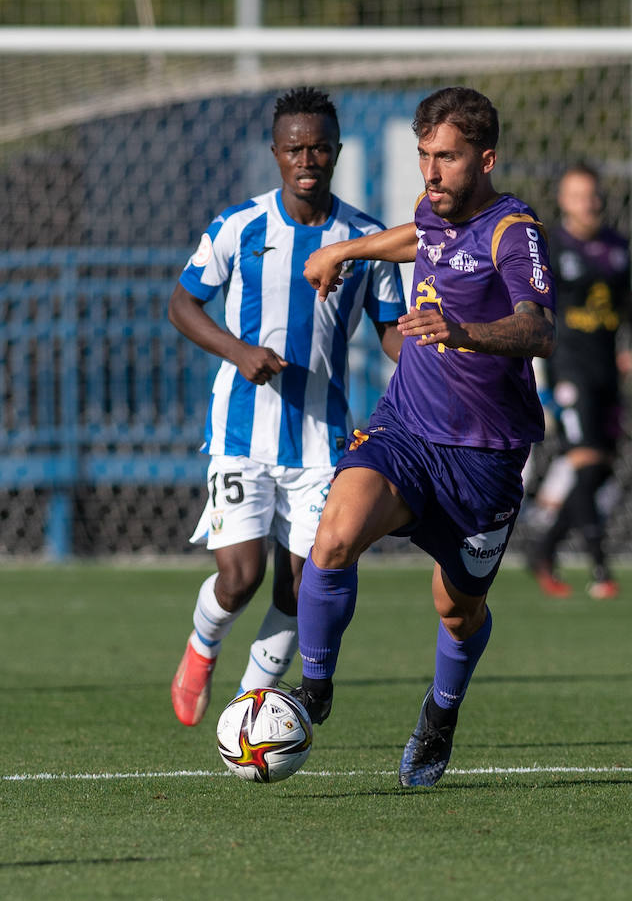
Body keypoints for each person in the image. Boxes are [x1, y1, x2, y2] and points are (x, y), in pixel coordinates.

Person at [295, 86, 556, 787]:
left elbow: (539, 328)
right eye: (423, 155)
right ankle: (312, 690)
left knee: (457, 609)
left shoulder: (513, 231)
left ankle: (442, 713)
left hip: (484, 457)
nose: (430, 172)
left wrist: (463, 333)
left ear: (487, 158)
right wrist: (346, 251)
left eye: (447, 157)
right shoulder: (431, 210)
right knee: (335, 535)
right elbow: (418, 237)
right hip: (406, 425)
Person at [167, 87, 404, 727]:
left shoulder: (366, 239)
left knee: (304, 587)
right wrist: (239, 351)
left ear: (337, 152)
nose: (309, 158)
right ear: (275, 153)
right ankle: (203, 643)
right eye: (296, 147)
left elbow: (389, 328)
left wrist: (428, 345)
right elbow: (183, 305)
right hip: (242, 431)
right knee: (240, 578)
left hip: (323, 441)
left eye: (320, 146)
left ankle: (249, 716)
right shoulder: (239, 225)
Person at [527, 162, 632, 600]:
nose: (588, 202)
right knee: (582, 459)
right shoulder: (549, 248)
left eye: (592, 194)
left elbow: (630, 306)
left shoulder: (616, 246)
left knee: (601, 468)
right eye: (577, 195)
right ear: (563, 200)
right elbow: (535, 313)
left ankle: (542, 550)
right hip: (567, 369)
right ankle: (600, 566)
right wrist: (541, 374)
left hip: (606, 372)